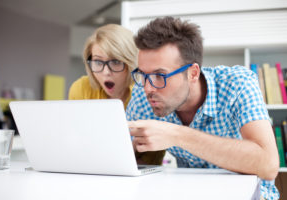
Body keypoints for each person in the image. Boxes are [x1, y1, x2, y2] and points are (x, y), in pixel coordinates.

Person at [126, 17, 280, 199]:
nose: (148, 87)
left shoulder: (238, 83)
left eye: (160, 75)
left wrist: (177, 135)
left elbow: (268, 165)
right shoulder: (144, 94)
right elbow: (121, 152)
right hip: (190, 193)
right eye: (143, 75)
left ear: (192, 73)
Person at [68, 24, 165, 165]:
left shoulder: (146, 93)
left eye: (115, 62)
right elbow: (77, 141)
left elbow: (151, 155)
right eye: (97, 61)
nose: (106, 72)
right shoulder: (81, 89)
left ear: (131, 63)